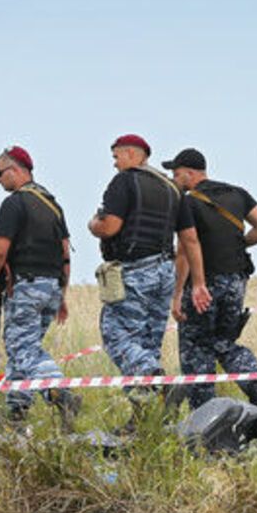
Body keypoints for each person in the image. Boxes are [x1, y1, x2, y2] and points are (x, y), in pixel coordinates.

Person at [87, 134, 212, 385]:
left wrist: (93, 225)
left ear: (133, 154)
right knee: (148, 342)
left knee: (116, 336)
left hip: (134, 272)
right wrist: (198, 282)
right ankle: (147, 410)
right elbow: (190, 239)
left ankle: (153, 374)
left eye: (116, 156)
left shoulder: (124, 181)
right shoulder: (172, 189)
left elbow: (110, 226)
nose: (114, 163)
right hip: (165, 272)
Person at [164, 147, 257, 411]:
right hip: (237, 281)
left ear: (190, 174)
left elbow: (184, 249)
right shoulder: (237, 193)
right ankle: (253, 383)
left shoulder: (187, 202)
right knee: (224, 341)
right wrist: (240, 244)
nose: (174, 180)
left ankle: (204, 414)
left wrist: (178, 293)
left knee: (196, 347)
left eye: (177, 174)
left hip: (204, 284)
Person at [0, 145, 81, 424]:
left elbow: (0, 251)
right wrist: (61, 295)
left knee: (22, 348)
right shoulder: (52, 204)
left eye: (0, 173)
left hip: (24, 286)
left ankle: (60, 393)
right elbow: (65, 253)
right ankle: (17, 410)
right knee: (23, 345)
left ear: (15, 170)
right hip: (51, 287)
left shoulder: (15, 203)